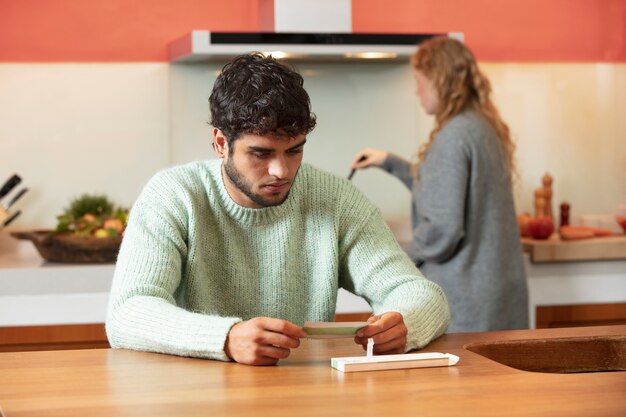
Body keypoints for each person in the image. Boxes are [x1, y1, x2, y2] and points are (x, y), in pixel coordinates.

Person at [106, 52, 450, 365]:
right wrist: (225, 339)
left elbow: (421, 294)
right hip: (196, 398)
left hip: (304, 396)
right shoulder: (173, 196)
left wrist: (405, 321)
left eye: (294, 151)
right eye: (261, 153)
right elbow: (127, 313)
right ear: (221, 143)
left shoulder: (336, 200)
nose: (281, 171)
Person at [350, 38, 528, 333]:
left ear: (439, 80)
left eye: (420, 81)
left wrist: (399, 258)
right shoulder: (480, 127)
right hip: (495, 292)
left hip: (466, 299)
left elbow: (443, 229)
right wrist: (389, 162)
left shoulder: (454, 136)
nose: (416, 91)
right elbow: (442, 188)